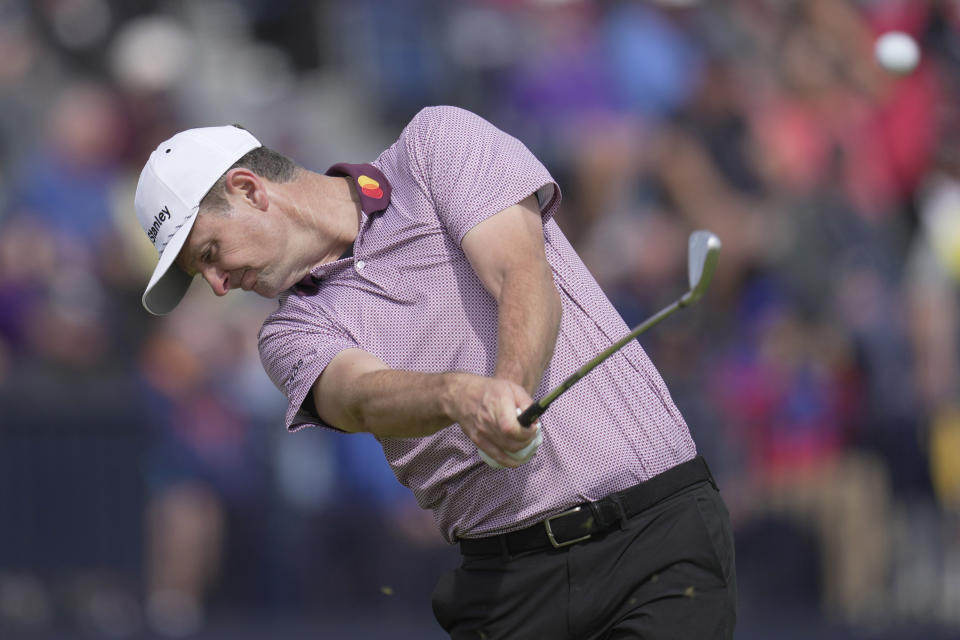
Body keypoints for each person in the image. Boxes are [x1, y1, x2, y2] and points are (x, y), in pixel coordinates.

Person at [133, 106, 737, 638]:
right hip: (509, 585)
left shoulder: (435, 147)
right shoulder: (288, 334)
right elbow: (361, 397)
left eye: (210, 254)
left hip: (654, 533)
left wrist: (509, 392)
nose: (216, 286)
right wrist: (459, 396)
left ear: (249, 189)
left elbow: (520, 273)